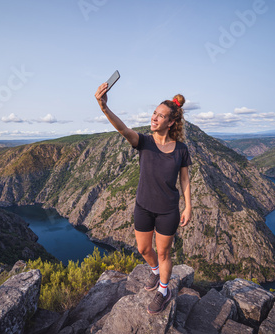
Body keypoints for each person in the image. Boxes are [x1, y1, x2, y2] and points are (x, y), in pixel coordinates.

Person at [94, 82, 192, 314]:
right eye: (154, 113)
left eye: (161, 116)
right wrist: (104, 107)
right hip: (143, 207)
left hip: (168, 210)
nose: (154, 118)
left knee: (164, 253)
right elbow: (123, 129)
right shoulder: (144, 142)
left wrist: (188, 206)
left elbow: (185, 180)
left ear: (171, 122)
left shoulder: (181, 149)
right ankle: (156, 272)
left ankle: (164, 290)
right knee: (143, 249)